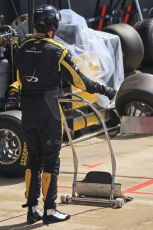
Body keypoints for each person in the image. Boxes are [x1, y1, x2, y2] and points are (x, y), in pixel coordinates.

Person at [9, 4, 116, 225]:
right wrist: (106, 89)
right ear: (54, 25)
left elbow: (18, 81)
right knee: (51, 162)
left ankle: (31, 209)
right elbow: (82, 83)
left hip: (27, 113)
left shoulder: (22, 47)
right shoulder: (58, 51)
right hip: (49, 114)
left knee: (32, 160)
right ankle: (50, 210)